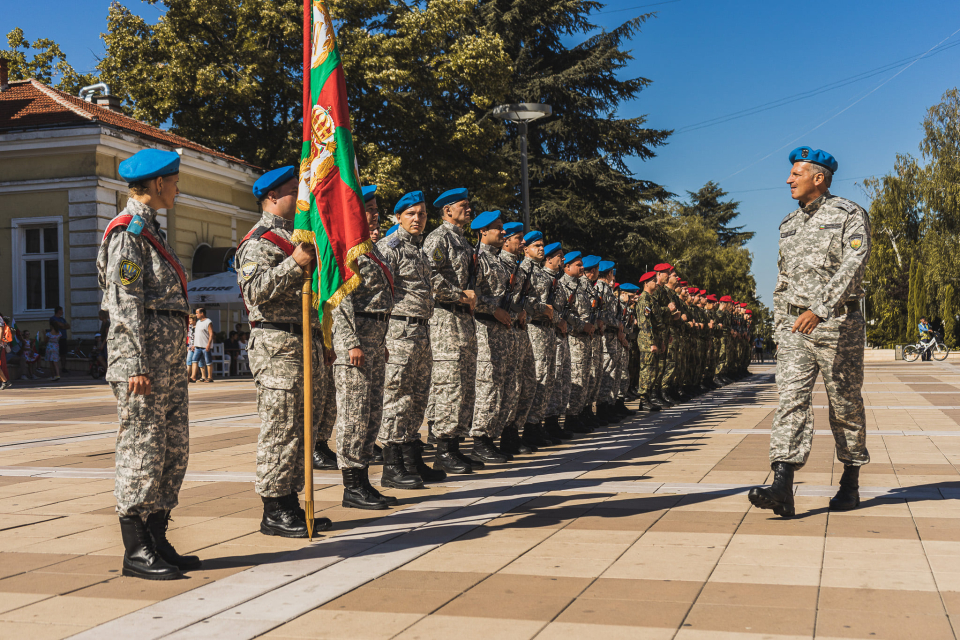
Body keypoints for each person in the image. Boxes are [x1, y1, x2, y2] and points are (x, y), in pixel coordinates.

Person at [749, 146, 871, 518]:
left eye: (796, 174)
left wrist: (819, 309)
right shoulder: (788, 224)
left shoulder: (849, 215)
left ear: (818, 178)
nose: (788, 180)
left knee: (844, 405)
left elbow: (853, 266)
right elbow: (782, 279)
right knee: (791, 401)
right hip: (794, 330)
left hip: (839, 326)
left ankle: (850, 481)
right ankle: (782, 483)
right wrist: (780, 324)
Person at [98, 148, 199, 579]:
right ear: (157, 184)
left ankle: (156, 536)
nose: (177, 187)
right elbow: (124, 304)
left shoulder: (152, 231)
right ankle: (135, 549)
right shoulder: (128, 233)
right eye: (174, 181)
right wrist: (136, 363)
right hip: (143, 365)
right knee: (141, 451)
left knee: (172, 451)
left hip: (168, 363)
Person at [236, 165, 334, 538]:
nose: (302, 197)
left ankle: (291, 502)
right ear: (272, 197)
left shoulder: (298, 237)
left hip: (303, 341)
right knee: (281, 429)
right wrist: (296, 263)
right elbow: (256, 291)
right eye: (295, 191)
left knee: (304, 428)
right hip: (277, 345)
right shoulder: (257, 242)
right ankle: (274, 508)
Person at [378, 191, 436, 486]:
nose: (418, 218)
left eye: (422, 214)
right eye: (411, 213)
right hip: (399, 332)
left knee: (417, 398)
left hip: (422, 332)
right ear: (398, 216)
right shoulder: (389, 248)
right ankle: (392, 466)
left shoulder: (420, 250)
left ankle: (412, 459)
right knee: (396, 398)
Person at [422, 188, 479, 474]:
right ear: (447, 211)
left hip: (463, 320)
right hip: (445, 319)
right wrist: (460, 295)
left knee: (465, 384)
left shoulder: (463, 242)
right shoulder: (438, 238)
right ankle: (443, 449)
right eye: (463, 206)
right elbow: (429, 277)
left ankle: (455, 445)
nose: (469, 210)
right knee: (449, 384)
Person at [466, 210, 514, 464]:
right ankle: (480, 440)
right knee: (487, 386)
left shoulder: (498, 261)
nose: (503, 232)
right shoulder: (476, 258)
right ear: (483, 231)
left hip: (500, 331)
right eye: (498, 228)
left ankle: (491, 438)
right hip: (483, 328)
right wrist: (491, 308)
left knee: (500, 386)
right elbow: (470, 294)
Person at [561, 251, 596, 433]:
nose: (583, 268)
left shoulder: (580, 286)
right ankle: (570, 417)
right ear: (567, 267)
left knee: (584, 377)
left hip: (585, 338)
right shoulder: (564, 285)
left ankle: (579, 413)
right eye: (578, 265)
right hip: (574, 337)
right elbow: (566, 313)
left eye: (583, 265)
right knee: (575, 379)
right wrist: (583, 325)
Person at [635, 272, 662, 411]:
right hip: (647, 340)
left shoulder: (651, 299)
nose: (656, 283)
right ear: (646, 283)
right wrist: (651, 342)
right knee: (647, 370)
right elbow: (645, 323)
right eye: (653, 281)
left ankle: (648, 397)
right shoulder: (644, 300)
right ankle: (643, 399)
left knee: (652, 370)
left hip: (652, 339)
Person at [190, 308, 215, 383]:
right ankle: (193, 376)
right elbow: (196, 334)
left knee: (208, 361)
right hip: (197, 345)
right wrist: (194, 344)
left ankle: (210, 377)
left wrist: (208, 344)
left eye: (197, 313)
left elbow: (211, 334)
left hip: (205, 346)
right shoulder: (198, 322)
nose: (196, 315)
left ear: (202, 313)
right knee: (194, 360)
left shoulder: (208, 322)